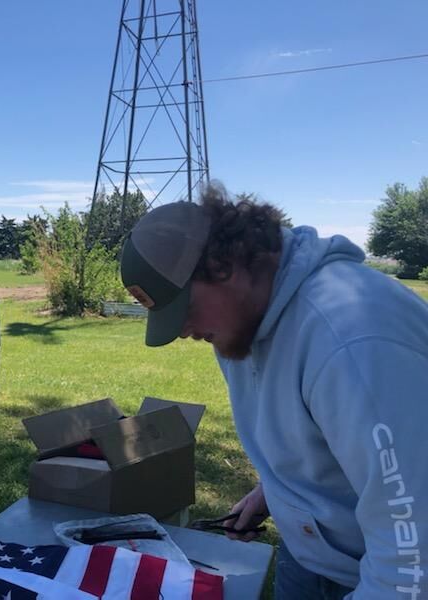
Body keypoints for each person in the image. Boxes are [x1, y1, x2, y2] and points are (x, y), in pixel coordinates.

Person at [119, 185, 427, 599]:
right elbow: (320, 436)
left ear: (224, 264)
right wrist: (275, 493)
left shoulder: (353, 336)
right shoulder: (240, 327)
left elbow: (412, 554)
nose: (184, 332)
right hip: (310, 558)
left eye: (185, 310)